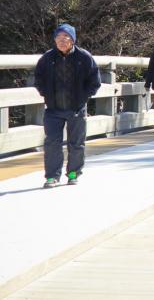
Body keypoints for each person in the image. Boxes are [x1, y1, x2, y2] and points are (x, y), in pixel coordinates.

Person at [35, 23, 101, 188]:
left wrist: (84, 96)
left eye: (65, 37)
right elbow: (38, 79)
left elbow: (95, 81)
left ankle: (73, 173)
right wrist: (46, 94)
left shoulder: (84, 57)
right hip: (53, 109)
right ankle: (52, 177)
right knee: (52, 143)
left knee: (76, 143)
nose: (61, 41)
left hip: (76, 108)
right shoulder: (47, 58)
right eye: (58, 38)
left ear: (72, 40)